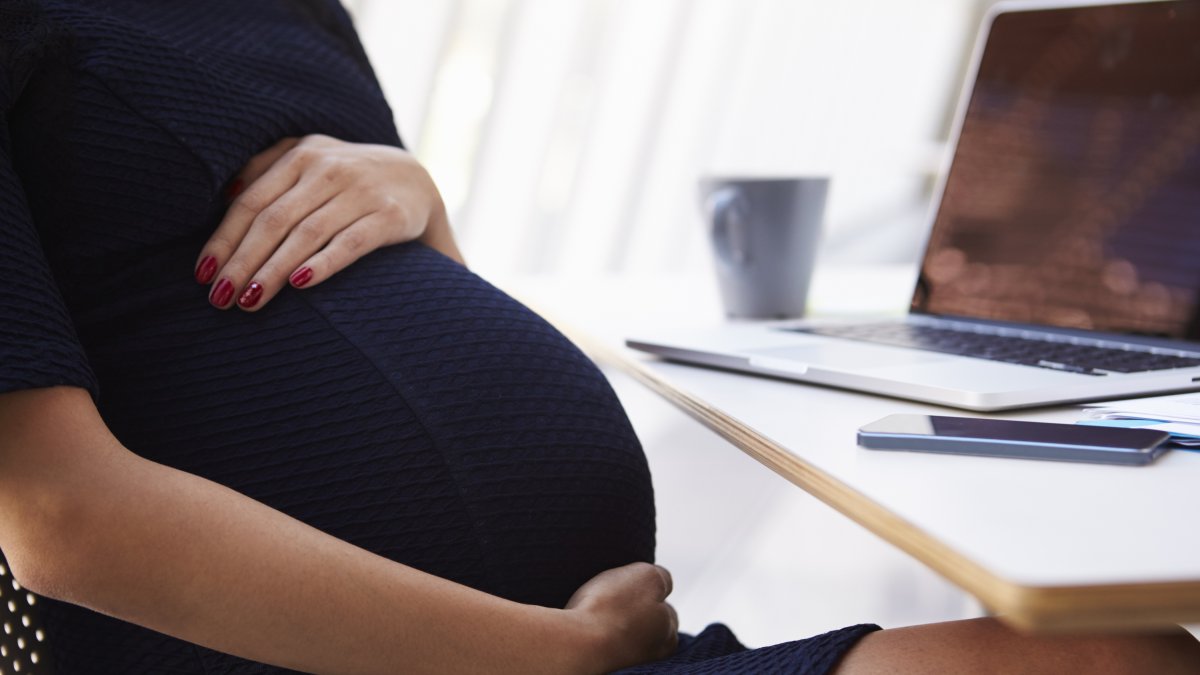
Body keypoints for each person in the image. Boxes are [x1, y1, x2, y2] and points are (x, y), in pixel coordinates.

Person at [0, 1, 1197, 673]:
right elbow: (57, 520)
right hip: (434, 664)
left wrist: (421, 200)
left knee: (1129, 656)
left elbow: (401, 320)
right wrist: (547, 656)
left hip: (588, 643)